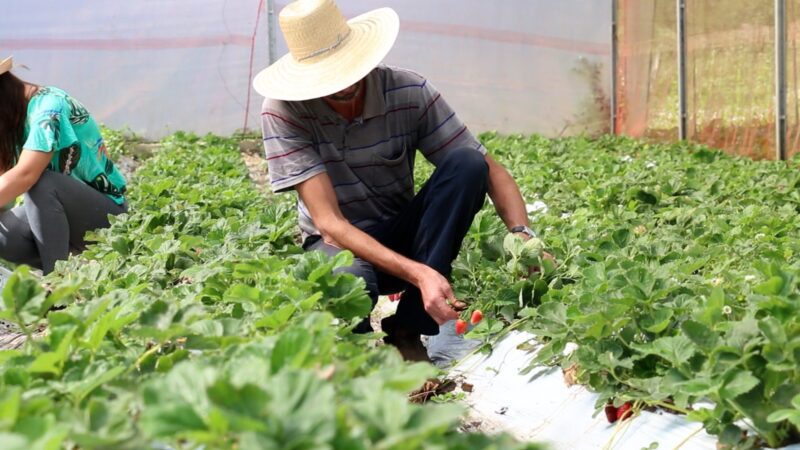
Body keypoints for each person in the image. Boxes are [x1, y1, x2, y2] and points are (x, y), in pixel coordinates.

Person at [253, 0, 543, 361]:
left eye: (346, 70)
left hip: (403, 236)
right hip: (336, 247)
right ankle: (355, 357)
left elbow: (492, 170)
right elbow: (329, 224)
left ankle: (408, 330)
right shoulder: (284, 110)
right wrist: (420, 274)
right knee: (348, 279)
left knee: (467, 164)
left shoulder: (408, 92)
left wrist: (524, 237)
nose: (342, 84)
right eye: (327, 77)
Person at [0, 56, 127, 274]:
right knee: (4, 233)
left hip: (107, 218)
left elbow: (25, 175)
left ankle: (57, 284)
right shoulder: (11, 120)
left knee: (43, 182)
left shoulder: (49, 109)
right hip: (57, 217)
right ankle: (74, 269)